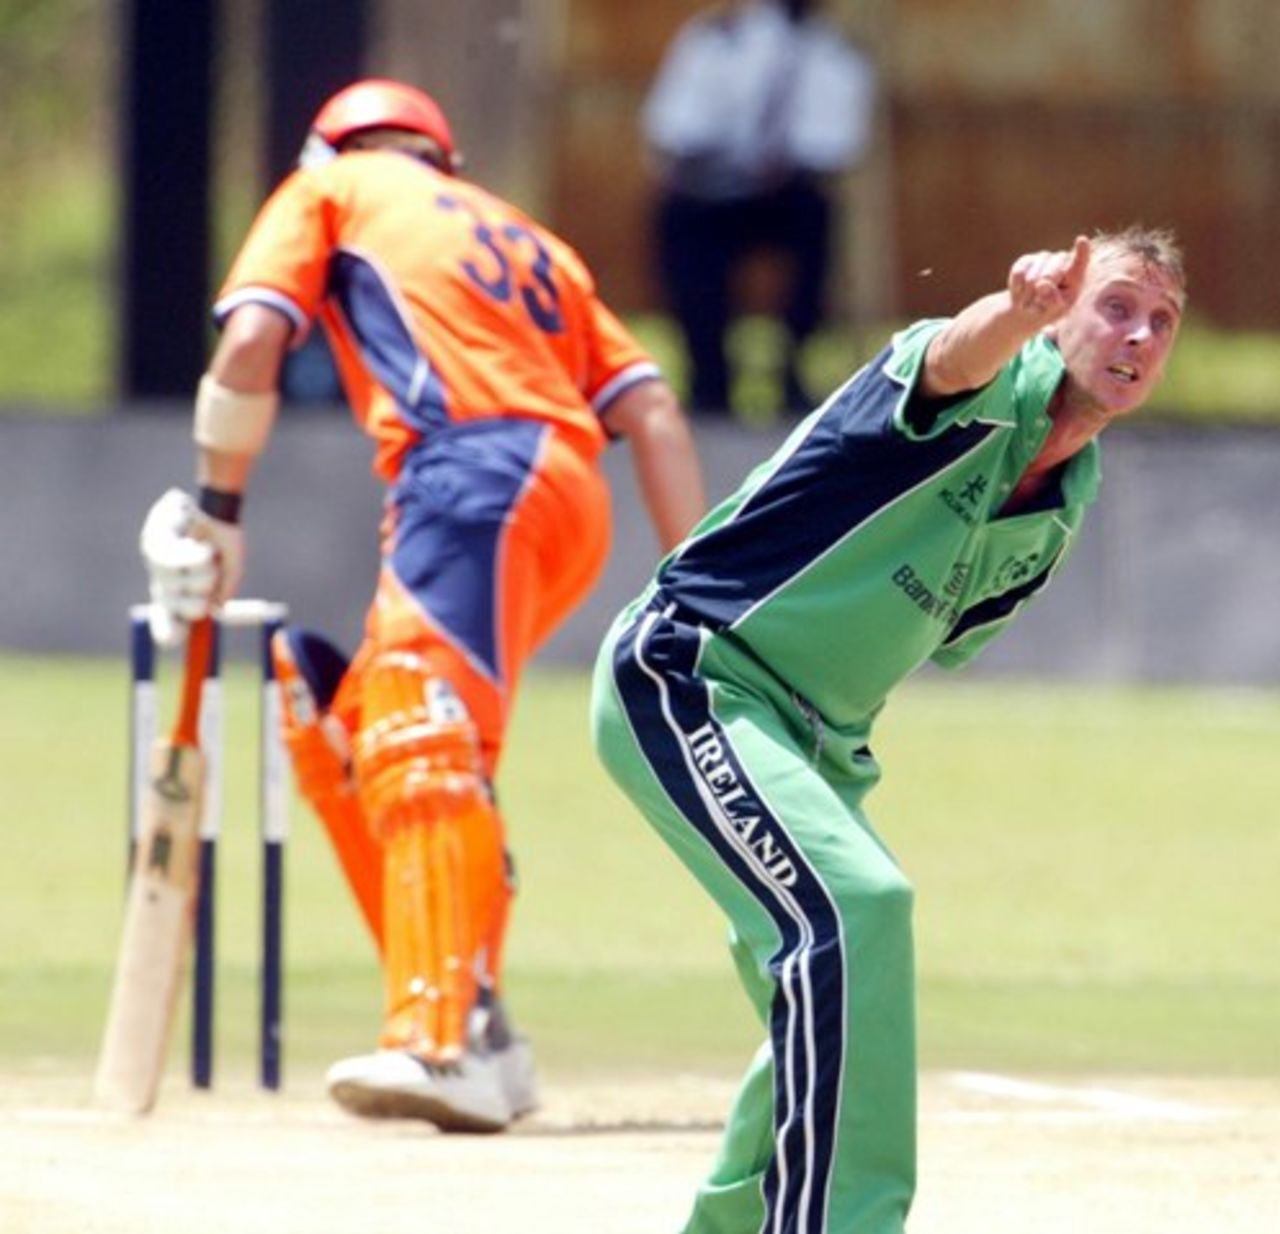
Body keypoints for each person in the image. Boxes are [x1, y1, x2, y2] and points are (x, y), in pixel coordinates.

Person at [138, 78, 706, 1133]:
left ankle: (442, 1039)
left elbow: (252, 345)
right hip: (564, 494)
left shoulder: (332, 188)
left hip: (474, 470)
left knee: (414, 732)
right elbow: (653, 409)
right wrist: (696, 584)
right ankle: (478, 1021)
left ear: (326, 147)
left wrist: (216, 509)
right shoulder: (528, 235)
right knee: (350, 730)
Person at [592, 227, 1185, 1230]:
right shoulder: (968, 378)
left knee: (837, 995)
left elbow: (924, 632)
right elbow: (955, 353)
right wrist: (1016, 311)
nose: (1134, 336)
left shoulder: (1059, 508)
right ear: (1061, 310)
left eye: (1158, 321)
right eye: (1114, 305)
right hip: (695, 672)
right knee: (855, 910)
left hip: (816, 744)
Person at [641, 0, 877, 416]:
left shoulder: (837, 54)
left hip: (786, 194)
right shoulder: (717, 39)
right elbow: (675, 125)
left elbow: (834, 145)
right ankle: (709, 374)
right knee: (680, 222)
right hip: (711, 191)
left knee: (815, 218)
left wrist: (776, 166)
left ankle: (793, 369)